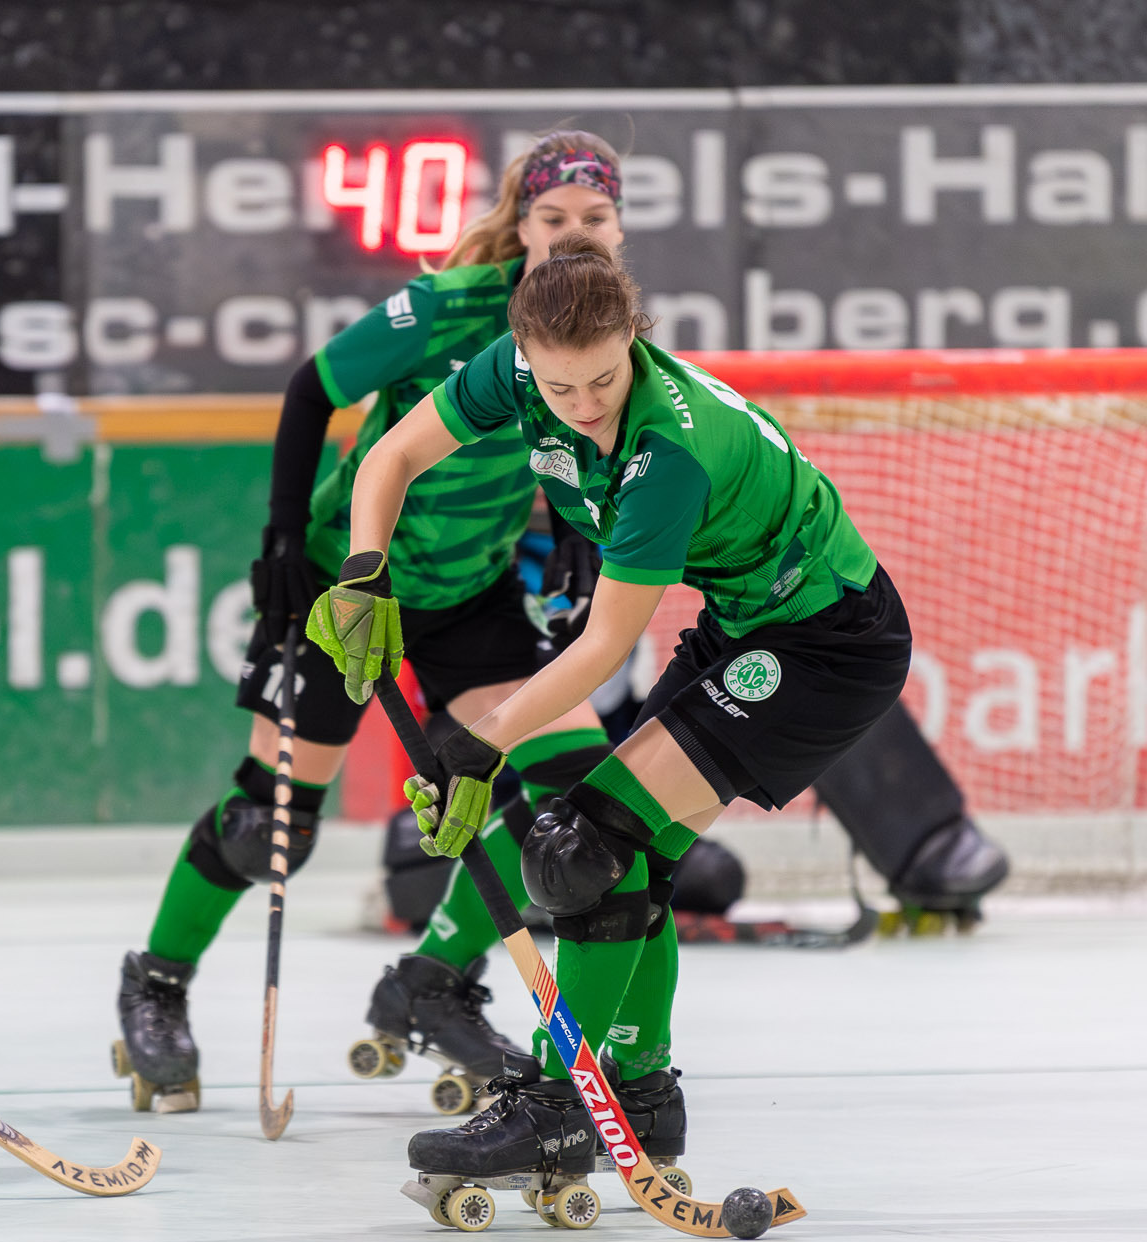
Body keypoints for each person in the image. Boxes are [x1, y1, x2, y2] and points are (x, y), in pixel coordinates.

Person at [310, 231, 910, 1187]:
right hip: (747, 625)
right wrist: (364, 573)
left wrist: (479, 744)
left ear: (633, 336)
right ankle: (641, 1096)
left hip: (826, 645)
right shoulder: (516, 368)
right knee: (626, 863)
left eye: (603, 379)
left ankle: (557, 1109)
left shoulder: (665, 453)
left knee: (579, 843)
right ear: (524, 356)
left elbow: (599, 648)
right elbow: (391, 456)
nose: (584, 405)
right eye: (561, 388)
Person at [112, 130, 642, 1117]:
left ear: (620, 229)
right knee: (271, 823)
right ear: (521, 223)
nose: (575, 233)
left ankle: (431, 983)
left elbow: (577, 441)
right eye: (554, 216)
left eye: (595, 217)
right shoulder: (449, 308)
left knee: (575, 807)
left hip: (472, 591)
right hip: (352, 581)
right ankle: (157, 983)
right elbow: (313, 387)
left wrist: (577, 533)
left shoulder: (607, 328)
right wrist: (284, 537)